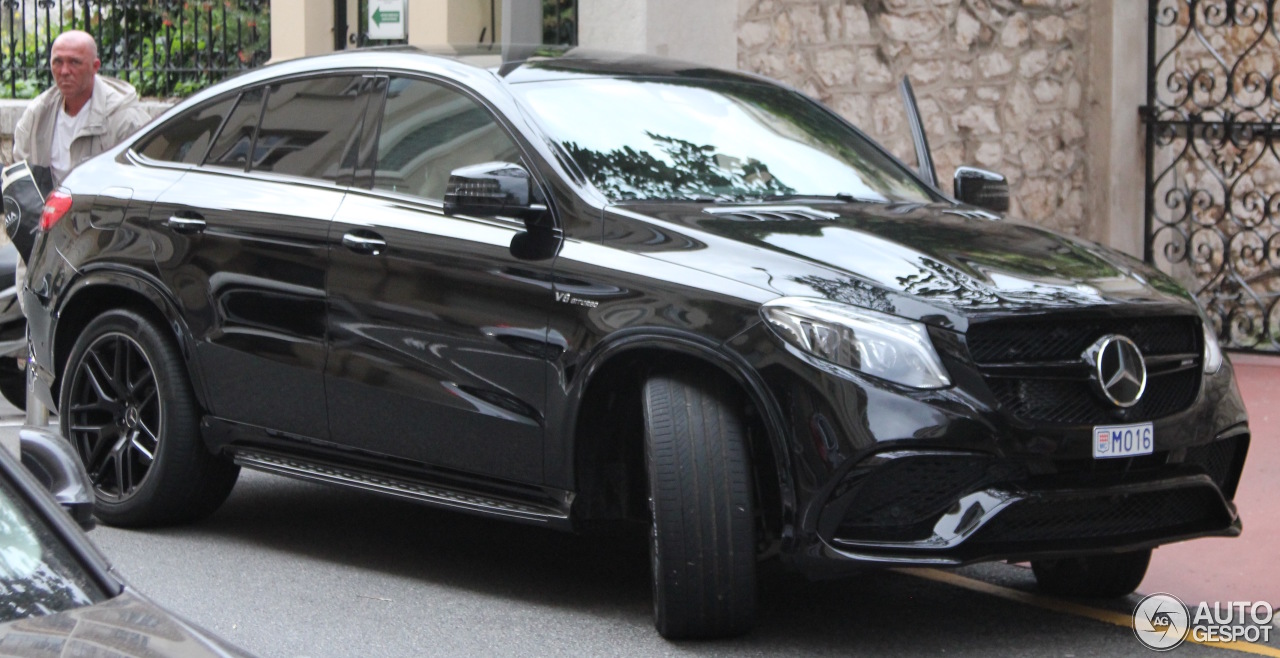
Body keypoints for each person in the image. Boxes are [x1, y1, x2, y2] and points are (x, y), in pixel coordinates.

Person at [12, 30, 151, 189]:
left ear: (95, 67)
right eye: (58, 62)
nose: (64, 71)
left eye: (74, 62)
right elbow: (20, 181)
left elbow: (140, 184)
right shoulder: (36, 115)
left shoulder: (125, 119)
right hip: (48, 211)